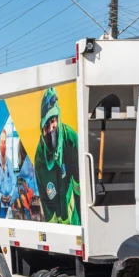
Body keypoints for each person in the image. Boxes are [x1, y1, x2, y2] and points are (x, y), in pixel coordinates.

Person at [33, 87, 81, 225]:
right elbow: (46, 204)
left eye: (53, 121)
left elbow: (79, 188)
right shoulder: (40, 160)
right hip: (59, 226)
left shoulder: (70, 139)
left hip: (74, 218)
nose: (51, 129)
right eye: (46, 125)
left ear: (58, 118)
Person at [0, 130, 18, 218]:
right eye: (1, 142)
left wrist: (11, 195)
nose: (3, 145)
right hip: (2, 202)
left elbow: (14, 182)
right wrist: (1, 196)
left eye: (4, 142)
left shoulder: (10, 163)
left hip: (10, 201)